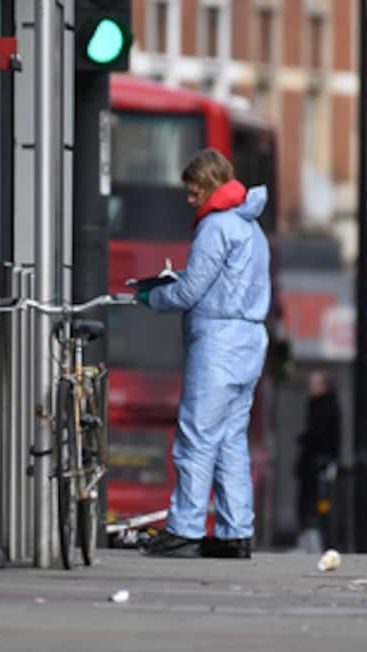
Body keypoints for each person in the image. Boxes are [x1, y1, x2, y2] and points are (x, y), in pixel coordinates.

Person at [136, 149, 271, 559]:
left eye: (194, 192)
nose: (190, 200)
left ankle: (184, 529)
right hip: (250, 342)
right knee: (231, 440)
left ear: (209, 185)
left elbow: (192, 291)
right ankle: (235, 532)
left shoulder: (216, 227)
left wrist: (153, 295)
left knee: (195, 437)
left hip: (219, 344)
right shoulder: (253, 229)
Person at [294, 371, 341, 553]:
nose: (310, 388)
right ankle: (311, 539)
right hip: (317, 461)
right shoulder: (323, 404)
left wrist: (304, 439)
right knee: (313, 500)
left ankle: (313, 540)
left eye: (314, 384)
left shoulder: (323, 406)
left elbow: (319, 433)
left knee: (313, 501)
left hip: (316, 462)